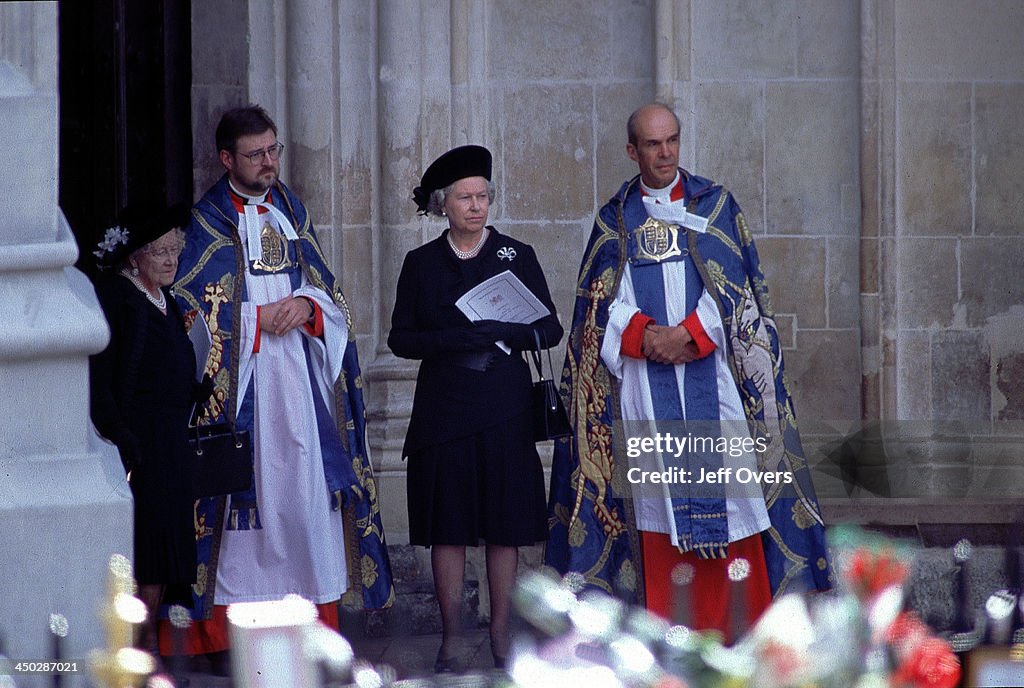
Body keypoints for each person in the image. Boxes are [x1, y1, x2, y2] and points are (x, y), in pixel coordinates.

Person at [545, 103, 831, 639]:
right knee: (656, 514)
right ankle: (671, 643)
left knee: (734, 502)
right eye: (653, 145)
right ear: (632, 151)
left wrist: (691, 336)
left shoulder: (715, 205)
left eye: (672, 140)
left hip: (715, 383)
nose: (666, 153)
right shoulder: (615, 219)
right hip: (644, 394)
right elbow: (597, 309)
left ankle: (740, 637)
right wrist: (647, 337)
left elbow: (740, 294)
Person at [171, 105, 393, 657]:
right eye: (256, 154)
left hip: (300, 384)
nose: (269, 163)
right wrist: (253, 321)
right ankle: (224, 640)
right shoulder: (206, 223)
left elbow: (327, 288)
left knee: (306, 502)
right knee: (248, 517)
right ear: (227, 159)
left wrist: (308, 307)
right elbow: (189, 309)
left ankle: (316, 630)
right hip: (244, 392)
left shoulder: (292, 209)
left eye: (274, 150)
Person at [388, 145, 563, 671]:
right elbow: (400, 338)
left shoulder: (516, 254)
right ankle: (451, 638)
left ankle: (502, 635)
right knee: (449, 525)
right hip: (445, 409)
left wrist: (503, 330)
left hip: (505, 407)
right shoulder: (421, 264)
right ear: (444, 204)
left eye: (483, 196)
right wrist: (454, 339)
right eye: (465, 197)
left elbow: (549, 328)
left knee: (505, 525)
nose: (476, 206)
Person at [89, 202, 203, 653]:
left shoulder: (165, 299)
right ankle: (137, 658)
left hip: (170, 443)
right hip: (141, 447)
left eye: (175, 250)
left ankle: (153, 655)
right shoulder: (120, 298)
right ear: (135, 256)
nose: (171, 260)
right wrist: (122, 436)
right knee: (148, 559)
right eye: (160, 252)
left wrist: (195, 389)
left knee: (168, 559)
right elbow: (103, 380)